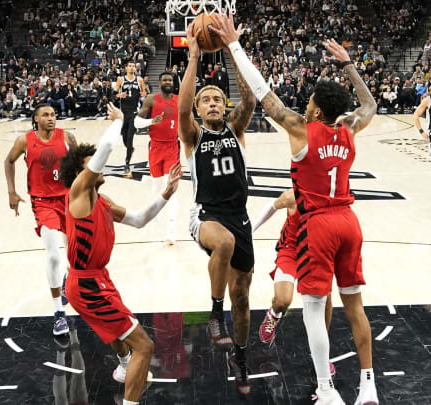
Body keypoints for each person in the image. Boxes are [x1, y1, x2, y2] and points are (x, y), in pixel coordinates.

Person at [209, 14, 379, 404]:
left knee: (314, 311)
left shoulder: (302, 130)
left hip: (318, 225)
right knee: (355, 308)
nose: (306, 104)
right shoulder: (350, 127)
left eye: (311, 101)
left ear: (317, 111)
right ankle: (369, 385)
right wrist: (350, 66)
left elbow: (265, 94)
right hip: (351, 222)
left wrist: (234, 44)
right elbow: (368, 103)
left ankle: (327, 389)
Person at [60, 103, 182, 405]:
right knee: (144, 346)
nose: (99, 168)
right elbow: (106, 148)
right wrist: (120, 120)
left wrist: (165, 194)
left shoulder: (103, 201)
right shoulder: (78, 193)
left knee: (118, 328)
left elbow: (139, 220)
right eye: (91, 165)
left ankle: (125, 367)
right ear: (81, 173)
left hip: (96, 279)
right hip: (87, 284)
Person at [178, 22, 256, 396]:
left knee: (242, 297)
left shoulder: (236, 128)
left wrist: (231, 49)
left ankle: (240, 358)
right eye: (205, 100)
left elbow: (251, 98)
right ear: (198, 109)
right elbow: (180, 109)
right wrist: (194, 56)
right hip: (205, 214)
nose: (212, 103)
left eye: (217, 100)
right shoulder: (194, 135)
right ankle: (213, 312)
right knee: (222, 244)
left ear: (225, 106)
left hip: (241, 217)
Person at [3, 104, 78, 335]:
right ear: (35, 119)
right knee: (54, 254)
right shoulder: (24, 141)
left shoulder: (67, 137)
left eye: (53, 115)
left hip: (68, 199)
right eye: (45, 115)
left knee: (73, 255)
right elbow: (9, 161)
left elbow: (79, 166)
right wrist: (11, 191)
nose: (51, 118)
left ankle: (66, 280)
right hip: (42, 202)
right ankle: (58, 313)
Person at [251, 190, 336, 376]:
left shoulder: (330, 197)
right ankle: (273, 314)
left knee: (326, 301)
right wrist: (249, 231)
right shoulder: (293, 196)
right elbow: (272, 207)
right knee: (282, 301)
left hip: (316, 253)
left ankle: (322, 354)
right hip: (290, 250)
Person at [134, 72, 180, 244]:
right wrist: (151, 121)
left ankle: (171, 230)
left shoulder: (179, 99)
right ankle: (155, 213)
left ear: (173, 83)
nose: (167, 82)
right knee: (157, 185)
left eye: (170, 80)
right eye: (164, 80)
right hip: (155, 147)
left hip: (172, 148)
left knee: (172, 187)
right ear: (160, 83)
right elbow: (136, 123)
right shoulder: (151, 100)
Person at [115, 61, 147, 178]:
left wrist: (144, 94)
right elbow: (113, 95)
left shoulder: (140, 80)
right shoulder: (120, 79)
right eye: (129, 65)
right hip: (123, 113)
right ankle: (130, 149)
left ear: (135, 68)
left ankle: (127, 163)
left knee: (129, 138)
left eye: (133, 66)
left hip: (134, 112)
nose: (131, 67)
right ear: (126, 68)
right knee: (124, 137)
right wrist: (119, 95)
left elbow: (144, 93)